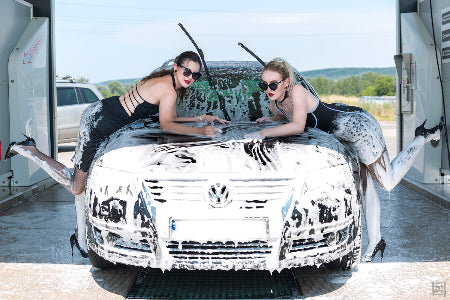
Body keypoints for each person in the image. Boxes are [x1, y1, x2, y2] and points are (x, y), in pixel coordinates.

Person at [5, 51, 228, 257]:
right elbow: (166, 126)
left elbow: (167, 117)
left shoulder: (168, 84)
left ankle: (80, 239)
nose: (190, 77)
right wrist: (200, 132)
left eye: (195, 75)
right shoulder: (168, 88)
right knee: (77, 186)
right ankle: (30, 150)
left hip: (104, 118)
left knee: (85, 181)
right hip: (97, 123)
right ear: (177, 67)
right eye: (187, 71)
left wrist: (200, 118)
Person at [244, 58, 442, 262]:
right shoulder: (274, 104)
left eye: (273, 84)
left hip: (357, 127)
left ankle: (421, 137)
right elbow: (286, 116)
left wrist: (263, 133)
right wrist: (271, 119)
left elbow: (298, 126)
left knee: (388, 182)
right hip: (342, 136)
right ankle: (376, 242)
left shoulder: (297, 91)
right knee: (365, 187)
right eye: (263, 85)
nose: (268, 89)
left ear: (286, 82)